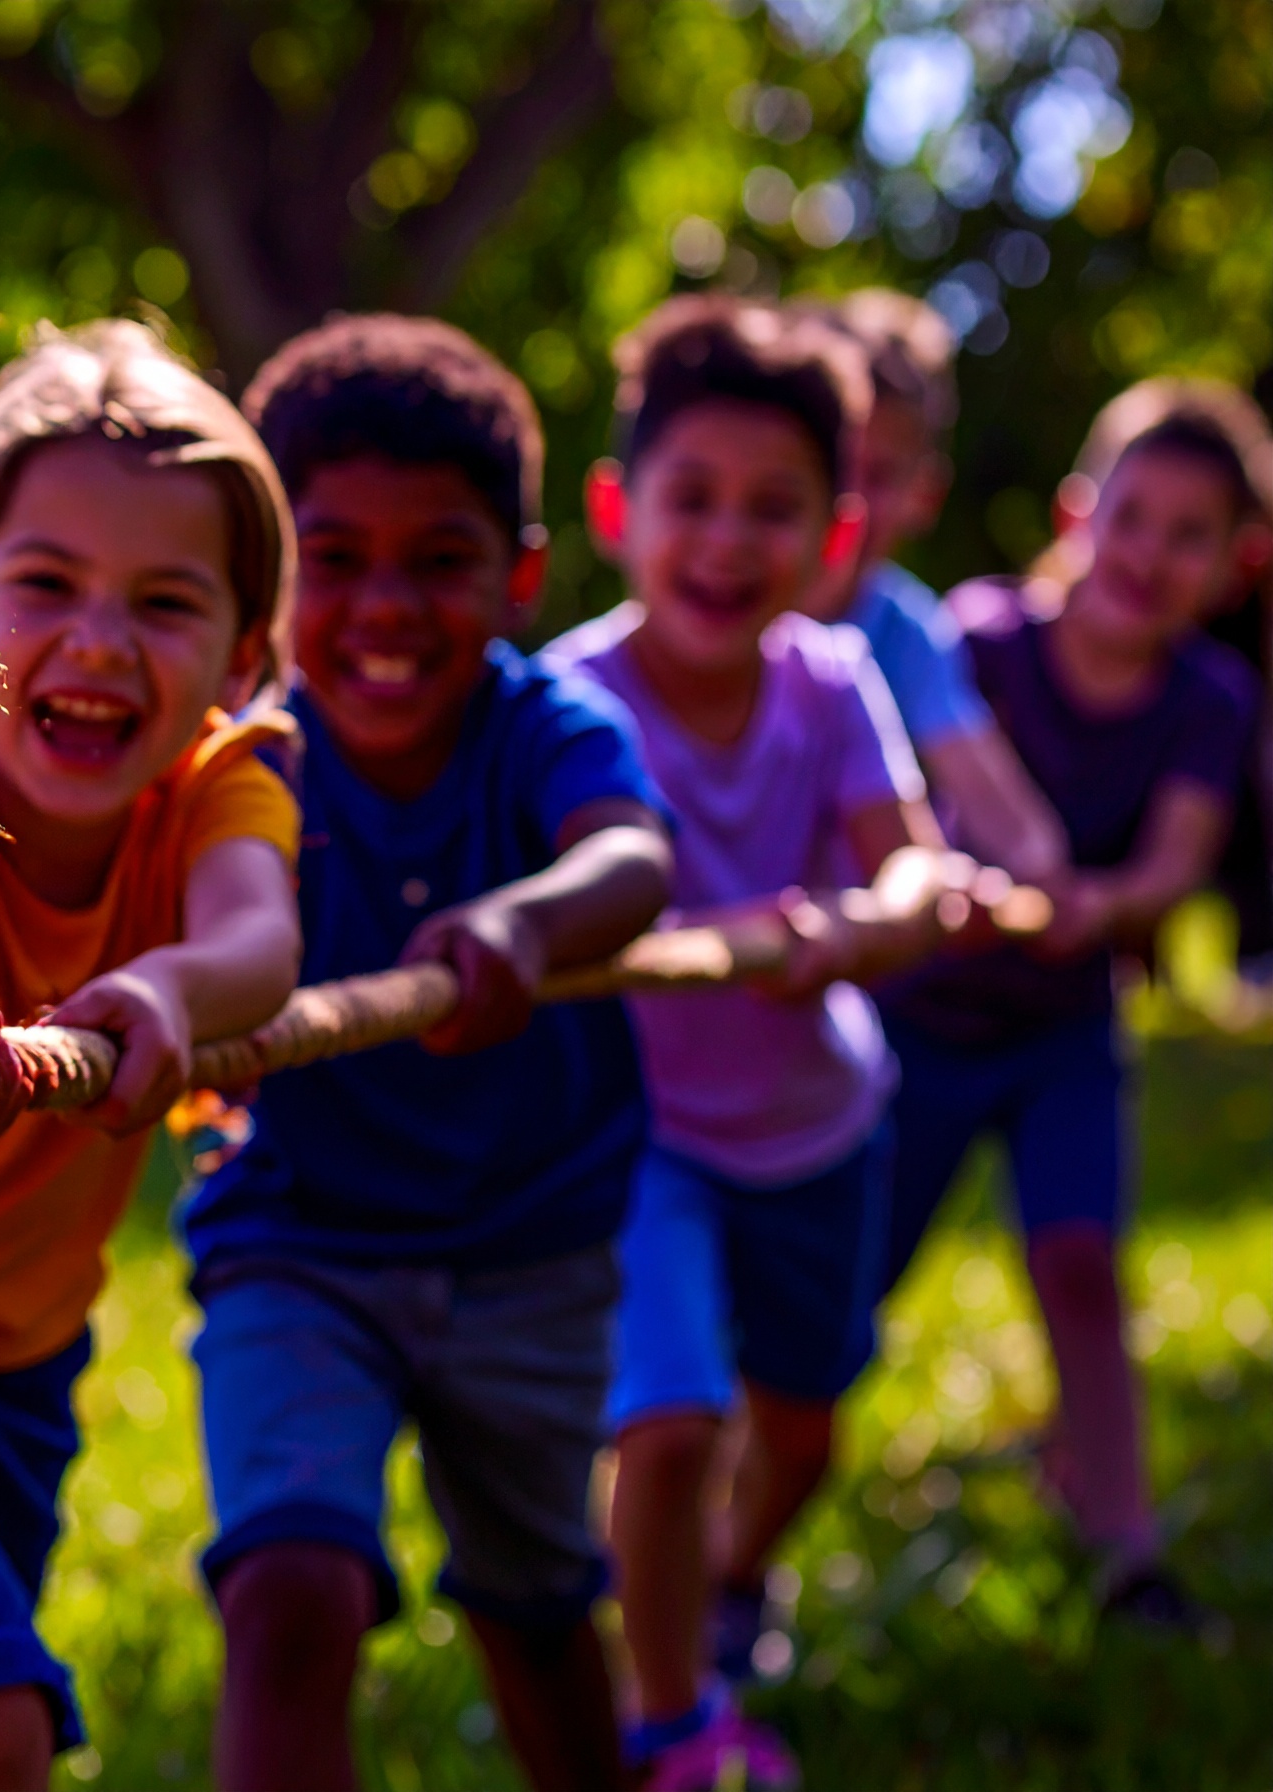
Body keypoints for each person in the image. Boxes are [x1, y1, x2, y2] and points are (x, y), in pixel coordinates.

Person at [175, 314, 675, 1792]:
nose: (386, 606)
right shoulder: (238, 756)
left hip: (532, 1243)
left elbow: (633, 856)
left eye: (440, 561)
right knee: (287, 1595)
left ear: (520, 573)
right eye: (334, 559)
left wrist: (526, 922)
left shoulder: (542, 728)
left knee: (534, 1607)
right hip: (299, 1246)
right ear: (271, 570)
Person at [0, 320, 305, 1792]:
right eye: (46, 584)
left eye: (167, 604)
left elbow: (257, 942)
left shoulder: (220, 789)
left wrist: (173, 988)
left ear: (243, 654)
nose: (102, 641)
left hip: (19, 1367)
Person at [543, 297, 959, 1791]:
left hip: (819, 1131)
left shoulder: (832, 685)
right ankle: (668, 1720)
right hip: (648, 1140)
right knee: (668, 1419)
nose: (727, 541)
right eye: (693, 500)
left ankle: (726, 1580)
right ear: (618, 510)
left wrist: (863, 924)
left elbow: (913, 866)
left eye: (773, 509)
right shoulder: (575, 703)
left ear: (836, 536)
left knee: (801, 1430)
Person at [876, 379, 1270, 1621]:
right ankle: (734, 1531)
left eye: (1190, 533)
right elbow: (903, 804)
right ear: (1076, 511)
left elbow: (1173, 862)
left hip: (1061, 1037)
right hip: (918, 1027)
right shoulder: (977, 644)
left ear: (1237, 561)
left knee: (1082, 1261)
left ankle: (1127, 1546)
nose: (1152, 553)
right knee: (845, 1281)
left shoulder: (1210, 699)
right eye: (1134, 516)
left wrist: (1103, 909)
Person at [798, 289, 1068, 882]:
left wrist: (1030, 878)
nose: (851, 500)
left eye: (880, 474)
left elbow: (1014, 826)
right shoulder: (719, 611)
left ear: (926, 495)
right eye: (832, 463)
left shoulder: (909, 633)